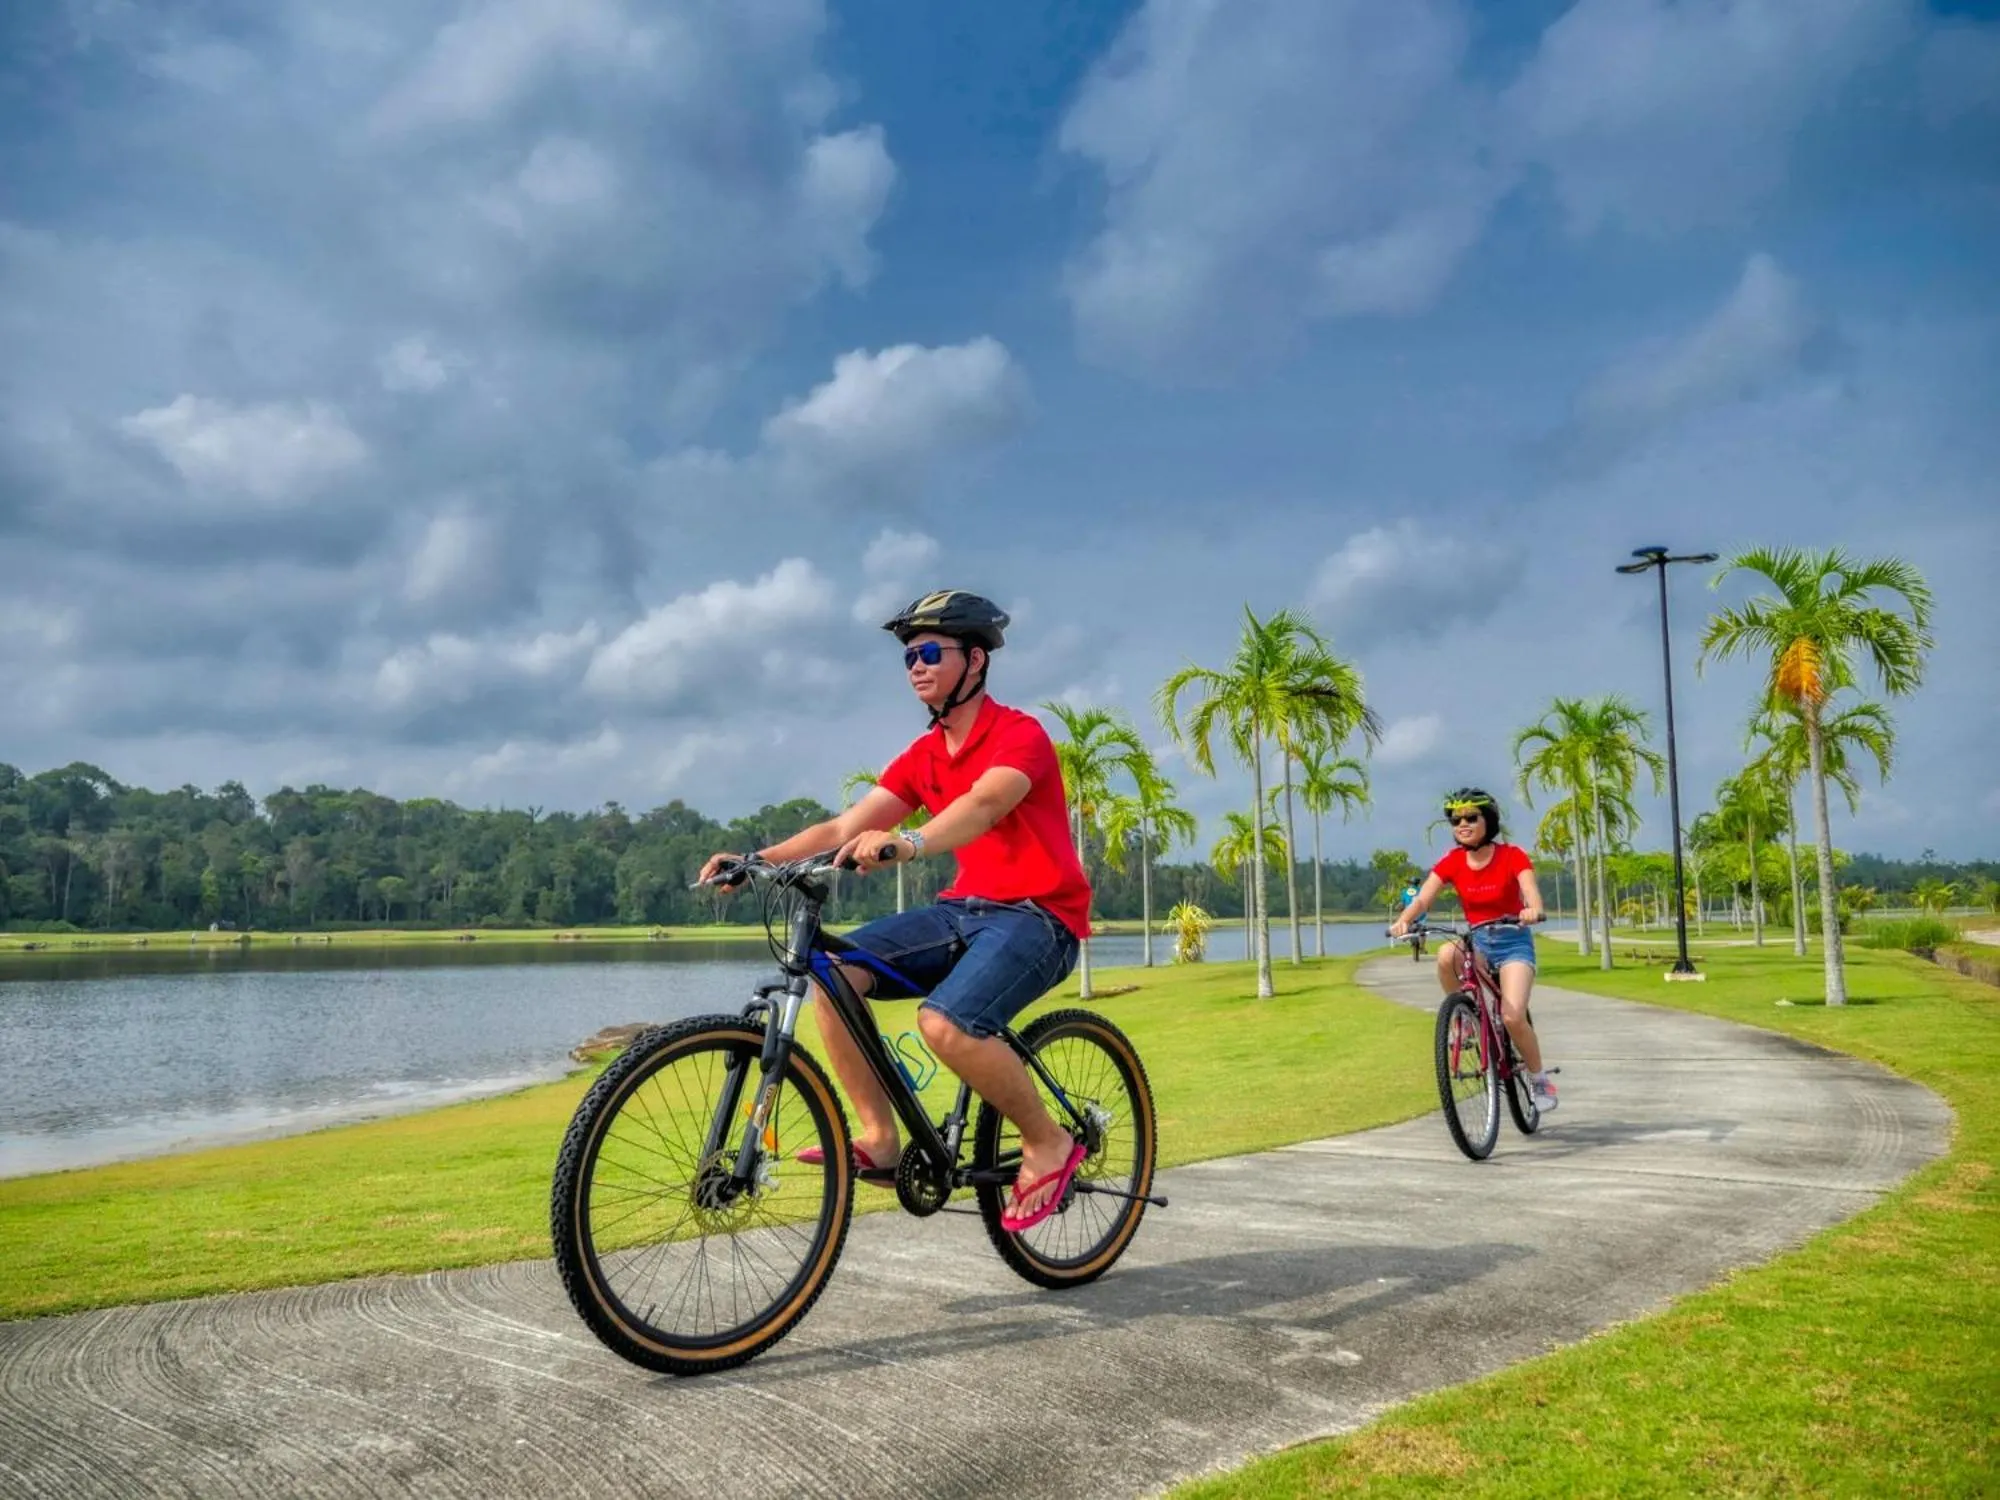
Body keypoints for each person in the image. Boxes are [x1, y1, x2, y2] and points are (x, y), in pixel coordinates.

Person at [699, 589, 1092, 1233]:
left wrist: (909, 842)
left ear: (975, 661)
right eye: (909, 656)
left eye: (931, 652)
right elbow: (847, 823)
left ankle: (1048, 1142)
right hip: (962, 910)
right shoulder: (924, 755)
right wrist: (755, 858)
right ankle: (880, 1139)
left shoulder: (1019, 735)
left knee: (946, 1025)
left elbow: (985, 805)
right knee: (833, 973)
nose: (916, 665)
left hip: (1037, 917)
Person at [1389, 788, 1559, 1111]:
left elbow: (1530, 891)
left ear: (1488, 820)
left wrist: (1532, 909)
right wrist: (1404, 921)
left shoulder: (1513, 856)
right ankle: (1465, 1019)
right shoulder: (1453, 862)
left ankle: (1539, 1079)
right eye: (1455, 819)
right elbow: (1424, 897)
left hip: (1513, 944)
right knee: (1445, 954)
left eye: (1470, 817)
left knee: (1511, 1016)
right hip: (1478, 943)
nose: (1462, 824)